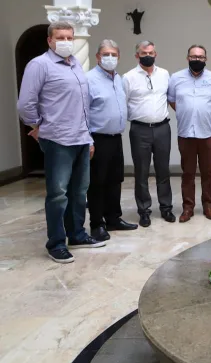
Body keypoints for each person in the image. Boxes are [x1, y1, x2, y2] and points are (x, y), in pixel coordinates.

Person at [17, 21, 106, 263]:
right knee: (58, 194)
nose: (66, 41)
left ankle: (77, 234)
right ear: (50, 40)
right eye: (60, 37)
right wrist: (39, 126)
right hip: (58, 140)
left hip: (80, 138)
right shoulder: (39, 65)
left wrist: (88, 138)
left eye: (69, 37)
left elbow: (83, 105)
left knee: (79, 192)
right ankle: (56, 243)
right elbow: (25, 104)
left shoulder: (75, 64)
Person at [86, 39, 137, 242]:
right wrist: (88, 140)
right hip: (97, 138)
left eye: (113, 55)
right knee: (97, 183)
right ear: (98, 57)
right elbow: (83, 112)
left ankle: (113, 219)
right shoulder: (89, 79)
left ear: (119, 57)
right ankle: (97, 224)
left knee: (115, 180)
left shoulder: (118, 78)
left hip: (116, 137)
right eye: (105, 54)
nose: (110, 58)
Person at [168, 45, 211, 223]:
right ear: (187, 58)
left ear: (206, 59)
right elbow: (172, 101)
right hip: (186, 133)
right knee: (188, 173)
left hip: (207, 132)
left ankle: (208, 206)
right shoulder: (176, 78)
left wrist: (202, 111)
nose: (197, 59)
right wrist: (187, 111)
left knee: (208, 172)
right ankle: (188, 207)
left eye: (200, 57)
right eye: (193, 56)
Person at [124, 41, 174, 227]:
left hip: (162, 128)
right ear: (137, 55)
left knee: (163, 170)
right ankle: (144, 211)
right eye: (144, 53)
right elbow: (123, 103)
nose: (148, 55)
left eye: (151, 52)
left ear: (156, 54)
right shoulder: (128, 77)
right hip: (140, 130)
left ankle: (166, 208)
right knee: (141, 172)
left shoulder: (165, 74)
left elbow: (169, 98)